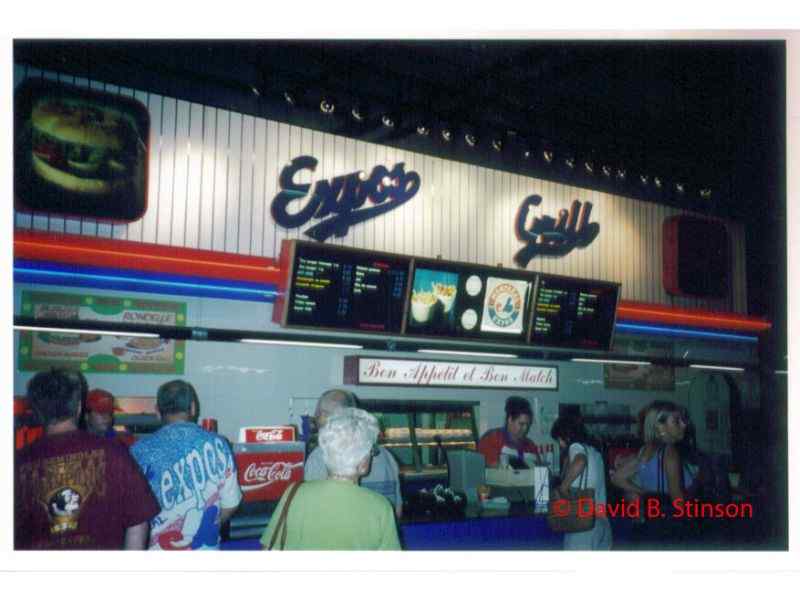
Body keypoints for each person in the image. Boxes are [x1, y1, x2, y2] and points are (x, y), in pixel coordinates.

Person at [14, 369, 159, 550]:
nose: (107, 417)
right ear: (80, 409)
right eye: (101, 413)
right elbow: (139, 520)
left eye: (108, 412)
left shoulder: (17, 463)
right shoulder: (114, 453)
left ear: (35, 411)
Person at [261, 407, 401, 550]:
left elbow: (268, 551)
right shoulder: (380, 508)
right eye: (370, 452)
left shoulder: (294, 493)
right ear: (363, 464)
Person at [131, 379, 242, 550]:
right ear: (193, 408)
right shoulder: (218, 444)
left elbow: (131, 516)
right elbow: (231, 504)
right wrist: (210, 525)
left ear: (157, 412)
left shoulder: (137, 451)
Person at [304, 389, 403, 518]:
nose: (316, 420)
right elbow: (397, 511)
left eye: (317, 415)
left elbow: (313, 512)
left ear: (324, 415)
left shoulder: (320, 456)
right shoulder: (387, 456)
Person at [550, 415, 612, 550]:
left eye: (559, 440)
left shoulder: (575, 447)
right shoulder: (595, 452)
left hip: (583, 526)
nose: (560, 445)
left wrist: (563, 487)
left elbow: (580, 461)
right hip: (602, 523)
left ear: (565, 436)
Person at [477, 396, 540, 468]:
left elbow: (540, 470)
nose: (525, 428)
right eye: (521, 424)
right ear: (510, 420)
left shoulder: (530, 445)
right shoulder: (491, 439)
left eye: (528, 424)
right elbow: (493, 469)